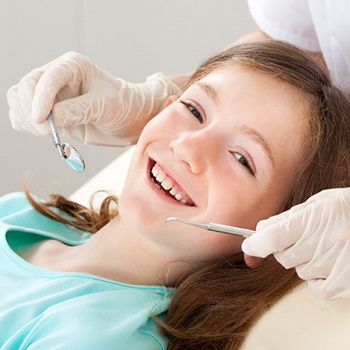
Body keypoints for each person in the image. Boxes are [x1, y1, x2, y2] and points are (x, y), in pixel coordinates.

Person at [2, 41, 350, 349]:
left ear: (279, 231)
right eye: (194, 111)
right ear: (164, 107)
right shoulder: (22, 215)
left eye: (242, 159)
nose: (187, 146)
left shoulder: (97, 337)